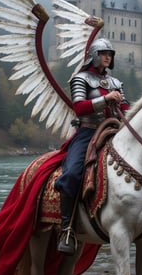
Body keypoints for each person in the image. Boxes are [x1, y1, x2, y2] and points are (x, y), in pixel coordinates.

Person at [54, 38, 129, 255]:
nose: (108, 57)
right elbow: (79, 108)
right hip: (88, 133)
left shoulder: (116, 83)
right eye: (104, 53)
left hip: (114, 132)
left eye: (111, 54)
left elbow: (125, 107)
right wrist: (106, 101)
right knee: (71, 174)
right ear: (95, 55)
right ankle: (67, 229)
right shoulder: (81, 78)